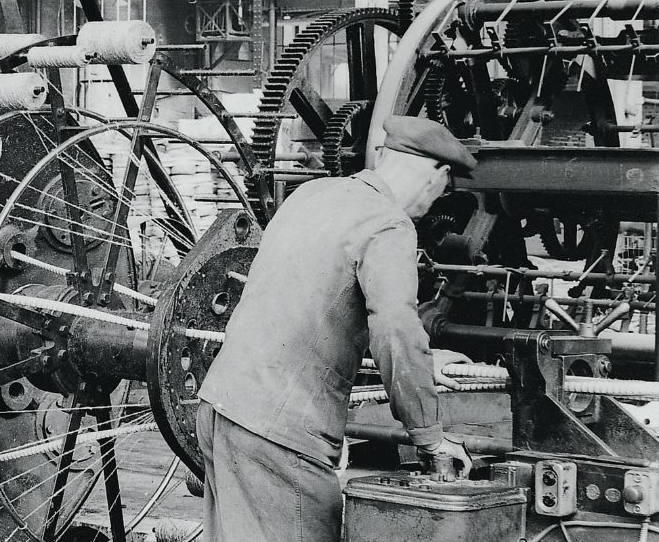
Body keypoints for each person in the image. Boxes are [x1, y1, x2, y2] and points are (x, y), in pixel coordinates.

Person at [193, 115, 478, 542]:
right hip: (282, 435)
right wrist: (430, 438)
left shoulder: (312, 194)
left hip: (221, 408)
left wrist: (421, 361)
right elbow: (396, 330)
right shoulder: (389, 224)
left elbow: (308, 308)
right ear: (438, 176)